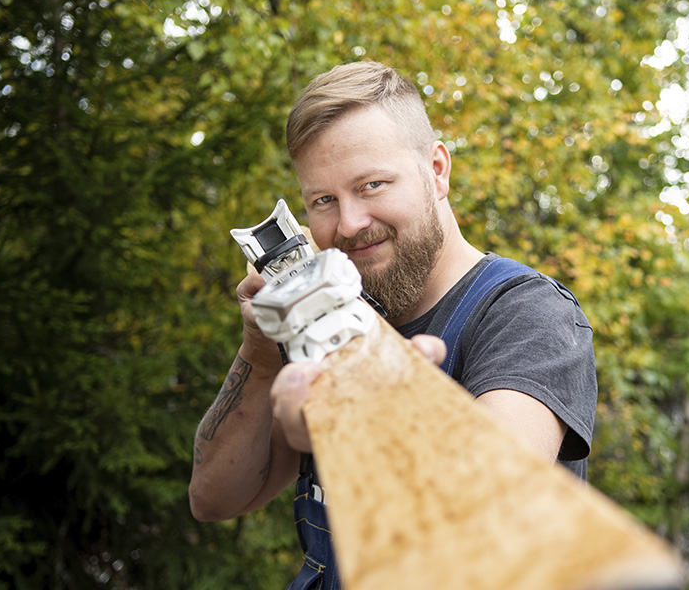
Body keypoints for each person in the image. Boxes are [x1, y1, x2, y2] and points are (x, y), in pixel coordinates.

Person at [188, 60, 598, 588]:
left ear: (437, 170)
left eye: (373, 184)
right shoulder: (323, 321)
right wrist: (261, 349)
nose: (350, 223)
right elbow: (213, 498)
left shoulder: (526, 313)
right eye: (324, 200)